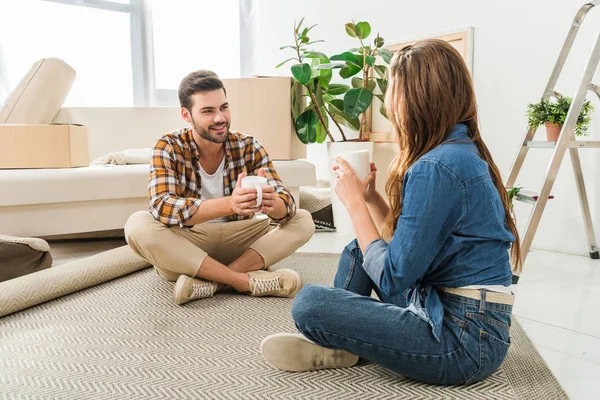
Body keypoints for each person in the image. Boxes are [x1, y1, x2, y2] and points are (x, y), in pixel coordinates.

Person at [260, 39, 520, 385]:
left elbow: (394, 277)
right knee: (359, 250)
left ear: (415, 98)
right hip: (468, 323)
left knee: (309, 303)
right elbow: (410, 247)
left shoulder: (437, 167)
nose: (388, 105)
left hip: (462, 343)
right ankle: (350, 339)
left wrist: (352, 203)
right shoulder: (457, 151)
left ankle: (344, 337)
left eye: (392, 92)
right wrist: (370, 198)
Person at [125, 70, 314, 305]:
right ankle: (243, 281)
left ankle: (211, 282)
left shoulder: (248, 145)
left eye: (223, 107)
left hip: (240, 239)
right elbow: (162, 207)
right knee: (137, 224)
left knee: (304, 219)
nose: (220, 118)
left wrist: (270, 203)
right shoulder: (169, 146)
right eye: (208, 111)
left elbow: (287, 206)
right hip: (189, 242)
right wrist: (230, 204)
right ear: (186, 114)